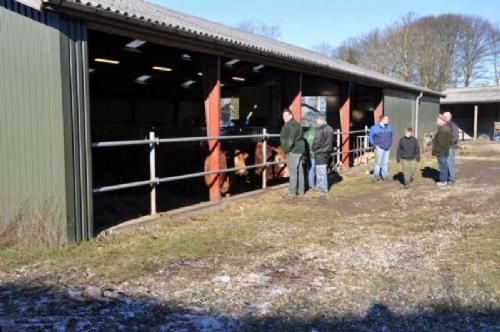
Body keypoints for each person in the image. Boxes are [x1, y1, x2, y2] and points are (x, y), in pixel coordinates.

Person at [280, 109, 306, 197]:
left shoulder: (290, 126)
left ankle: (292, 192)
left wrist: (286, 149)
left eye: (286, 116)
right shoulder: (297, 124)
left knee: (293, 172)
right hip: (300, 150)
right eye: (283, 116)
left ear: (291, 115)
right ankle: (301, 191)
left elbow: (290, 140)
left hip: (293, 151)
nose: (284, 118)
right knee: (300, 171)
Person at [312, 114, 335, 194]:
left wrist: (313, 148)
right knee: (323, 170)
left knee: (320, 171)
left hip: (320, 152)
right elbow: (333, 141)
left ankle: (322, 188)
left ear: (319, 120)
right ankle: (322, 188)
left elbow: (317, 142)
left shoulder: (319, 129)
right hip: (328, 151)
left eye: (317, 120)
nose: (316, 122)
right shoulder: (330, 128)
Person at [369, 115, 393, 181]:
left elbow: (391, 136)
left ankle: (385, 176)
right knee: (378, 162)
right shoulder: (374, 128)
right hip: (379, 148)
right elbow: (371, 137)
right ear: (382, 120)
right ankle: (376, 176)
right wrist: (374, 145)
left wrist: (390, 143)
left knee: (385, 162)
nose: (388, 120)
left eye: (388, 119)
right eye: (387, 119)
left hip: (387, 148)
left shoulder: (389, 127)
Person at [432, 115, 452, 187]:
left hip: (441, 152)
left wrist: (438, 150)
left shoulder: (443, 129)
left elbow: (442, 143)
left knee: (442, 166)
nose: (436, 121)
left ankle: (443, 181)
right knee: (444, 166)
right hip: (443, 151)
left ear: (442, 121)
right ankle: (446, 179)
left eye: (437, 120)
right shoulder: (445, 128)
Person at [442, 111, 459, 184]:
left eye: (444, 116)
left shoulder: (453, 125)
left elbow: (455, 137)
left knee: (450, 162)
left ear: (448, 117)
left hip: (450, 147)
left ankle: (452, 179)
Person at [303, 120, 317, 190]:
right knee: (313, 169)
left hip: (307, 154)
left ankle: (307, 182)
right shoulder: (317, 132)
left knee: (308, 169)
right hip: (314, 154)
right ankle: (311, 184)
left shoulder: (305, 133)